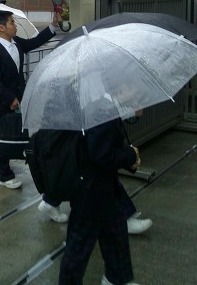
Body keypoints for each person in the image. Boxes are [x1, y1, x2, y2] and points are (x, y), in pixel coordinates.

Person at [0, 10, 61, 189]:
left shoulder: (16, 43)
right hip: (1, 102)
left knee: (11, 133)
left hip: (18, 98)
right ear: (2, 28)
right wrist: (10, 98)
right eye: (12, 23)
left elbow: (34, 42)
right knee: (2, 136)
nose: (15, 26)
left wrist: (53, 26)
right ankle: (4, 175)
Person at [59, 117, 141, 285]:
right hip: (91, 193)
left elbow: (104, 146)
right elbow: (101, 154)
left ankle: (117, 279)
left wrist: (129, 157)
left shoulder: (101, 110)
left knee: (116, 235)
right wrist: (130, 155)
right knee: (78, 249)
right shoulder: (99, 112)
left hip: (104, 189)